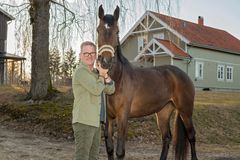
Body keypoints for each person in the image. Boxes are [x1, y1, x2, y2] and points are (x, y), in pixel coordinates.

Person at [72, 41, 115, 160]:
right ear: (80, 55)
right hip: (83, 122)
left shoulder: (96, 74)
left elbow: (111, 89)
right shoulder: (80, 72)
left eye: (92, 53)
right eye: (86, 53)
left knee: (93, 157)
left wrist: (105, 75)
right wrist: (102, 75)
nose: (89, 56)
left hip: (95, 122)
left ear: (96, 55)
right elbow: (96, 90)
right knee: (82, 157)